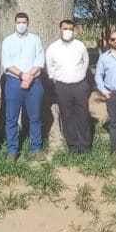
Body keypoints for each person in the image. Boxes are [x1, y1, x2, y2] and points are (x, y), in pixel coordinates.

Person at [1, 12, 45, 159]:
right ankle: (12, 150)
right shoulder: (7, 41)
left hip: (34, 83)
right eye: (19, 22)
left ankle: (36, 148)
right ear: (15, 23)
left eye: (24, 22)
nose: (21, 25)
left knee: (35, 117)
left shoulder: (35, 39)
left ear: (28, 23)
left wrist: (30, 76)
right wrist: (22, 75)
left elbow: (40, 61)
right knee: (11, 118)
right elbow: (6, 63)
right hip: (13, 82)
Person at [45, 19, 91, 154]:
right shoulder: (53, 48)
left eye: (70, 29)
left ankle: (85, 146)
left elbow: (86, 60)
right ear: (60, 30)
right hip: (62, 87)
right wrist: (54, 81)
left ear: (74, 30)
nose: (68, 32)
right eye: (65, 29)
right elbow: (49, 66)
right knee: (67, 116)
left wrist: (81, 75)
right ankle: (73, 146)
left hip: (79, 86)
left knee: (82, 116)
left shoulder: (80, 45)